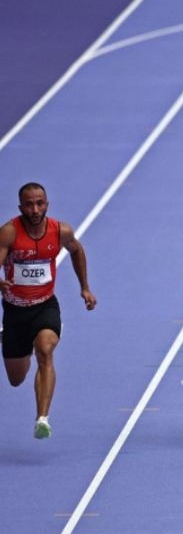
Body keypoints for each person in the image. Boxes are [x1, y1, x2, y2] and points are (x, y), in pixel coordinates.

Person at [0, 182, 97, 438]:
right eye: (29, 204)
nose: (35, 209)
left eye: (39, 203)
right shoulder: (9, 233)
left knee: (45, 349)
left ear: (47, 204)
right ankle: (11, 338)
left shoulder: (60, 231)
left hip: (45, 305)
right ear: (21, 207)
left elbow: (77, 251)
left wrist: (85, 287)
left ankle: (42, 418)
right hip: (14, 311)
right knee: (16, 378)